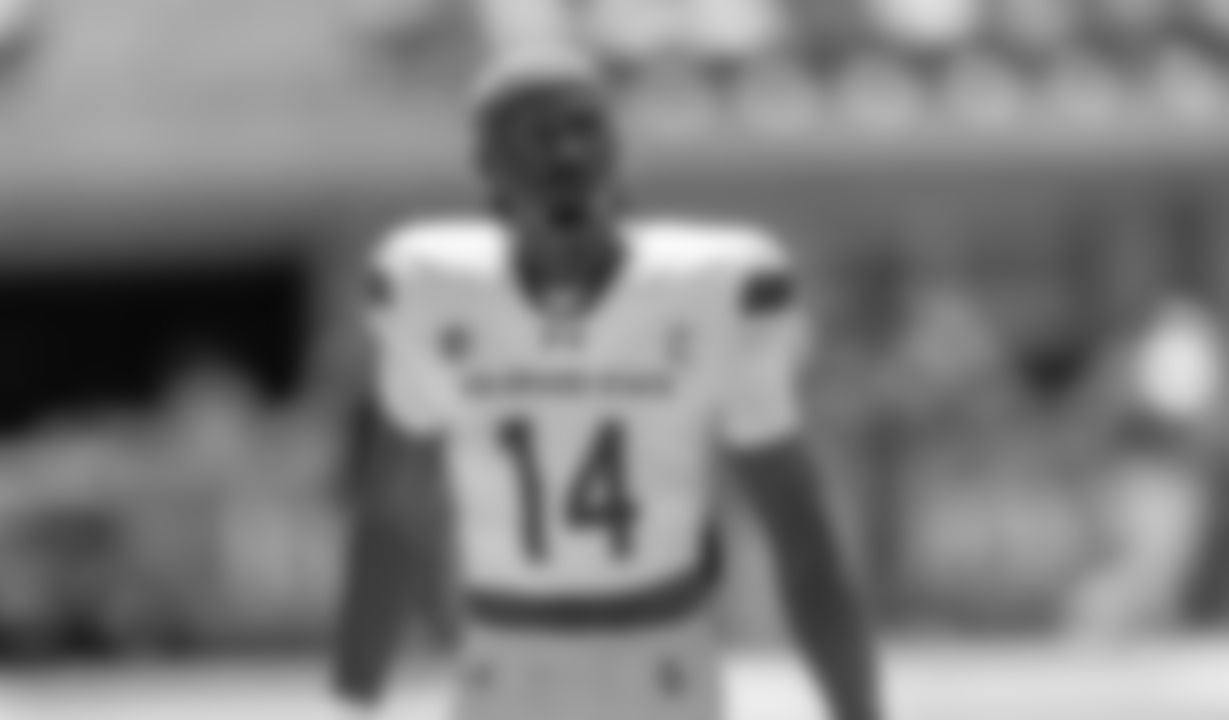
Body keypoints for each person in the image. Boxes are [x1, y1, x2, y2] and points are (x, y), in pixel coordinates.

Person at [331, 48, 882, 720]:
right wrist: (353, 700)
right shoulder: (430, 287)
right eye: (537, 134)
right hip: (504, 661)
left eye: (584, 128)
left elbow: (801, 534)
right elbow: (393, 513)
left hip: (659, 658)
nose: (566, 153)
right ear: (487, 164)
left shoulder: (713, 290)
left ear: (619, 149)